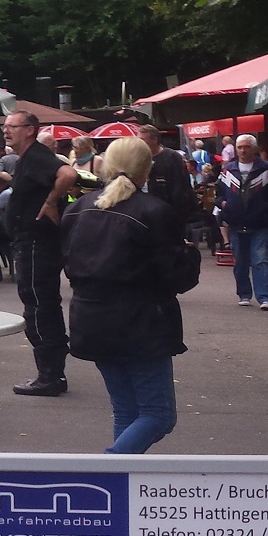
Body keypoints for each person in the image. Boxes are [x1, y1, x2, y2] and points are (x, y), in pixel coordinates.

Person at [60, 137, 188, 453]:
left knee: (126, 411)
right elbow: (178, 276)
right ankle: (108, 467)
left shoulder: (77, 209)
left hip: (90, 318)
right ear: (147, 169)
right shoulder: (155, 211)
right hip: (142, 321)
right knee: (158, 415)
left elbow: (67, 261)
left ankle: (119, 475)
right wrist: (189, 255)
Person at [1, 110, 80, 396]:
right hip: (32, 241)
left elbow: (68, 173)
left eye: (12, 126)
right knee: (41, 304)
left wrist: (50, 201)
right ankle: (51, 373)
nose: (6, 131)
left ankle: (50, 375)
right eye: (5, 126)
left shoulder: (36, 155)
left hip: (36, 242)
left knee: (38, 305)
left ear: (30, 130)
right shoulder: (28, 158)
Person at [217, 134, 268, 309]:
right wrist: (223, 204)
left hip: (260, 223)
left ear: (254, 148)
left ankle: (265, 297)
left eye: (247, 147)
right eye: (240, 147)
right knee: (240, 262)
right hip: (235, 223)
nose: (243, 150)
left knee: (261, 260)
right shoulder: (228, 170)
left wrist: (266, 208)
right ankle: (244, 294)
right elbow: (218, 194)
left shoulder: (267, 170)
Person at [140, 126, 200, 227]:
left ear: (155, 140)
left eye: (143, 140)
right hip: (149, 212)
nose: (140, 143)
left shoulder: (172, 157)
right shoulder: (141, 158)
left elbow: (180, 188)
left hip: (170, 214)